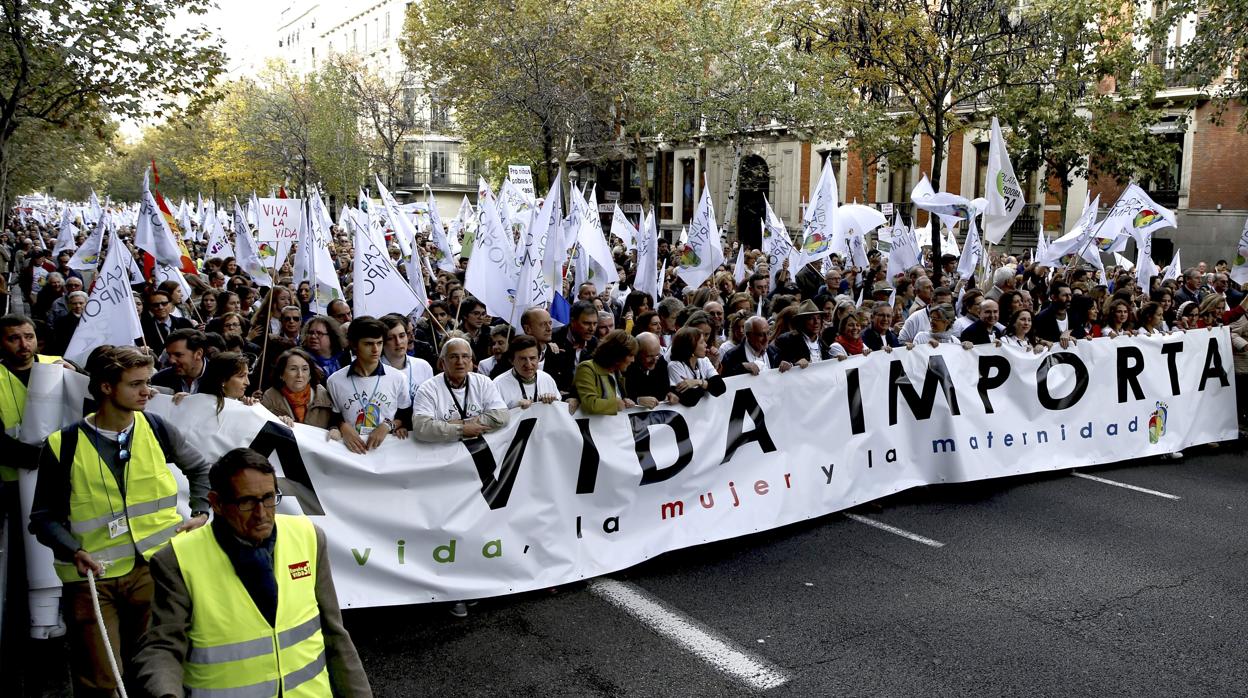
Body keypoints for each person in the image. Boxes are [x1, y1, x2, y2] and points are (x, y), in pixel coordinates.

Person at [29, 346, 212, 697]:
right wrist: (73, 550)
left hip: (155, 571)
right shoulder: (62, 444)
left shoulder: (157, 427)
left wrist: (202, 511)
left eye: (147, 382)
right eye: (137, 384)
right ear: (105, 387)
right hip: (92, 581)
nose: (148, 391)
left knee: (157, 670)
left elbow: (201, 468)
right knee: (101, 679)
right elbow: (43, 518)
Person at [134, 447, 372, 697]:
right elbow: (162, 647)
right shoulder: (177, 560)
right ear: (216, 503)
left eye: (269, 498)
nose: (262, 514)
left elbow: (335, 635)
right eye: (246, 502)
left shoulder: (309, 537)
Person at [325, 316, 412, 454]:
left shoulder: (398, 377)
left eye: (379, 343)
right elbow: (333, 417)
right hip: (351, 452)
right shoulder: (334, 381)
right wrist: (342, 427)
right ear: (354, 344)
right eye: (368, 344)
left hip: (387, 450)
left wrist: (387, 426)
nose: (375, 349)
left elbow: (405, 415)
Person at [411, 336, 509, 442]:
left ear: (471, 361)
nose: (460, 362)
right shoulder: (427, 389)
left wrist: (461, 424)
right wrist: (461, 430)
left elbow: (502, 416)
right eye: (453, 357)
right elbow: (421, 428)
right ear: (443, 362)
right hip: (445, 455)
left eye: (465, 356)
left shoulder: (483, 382)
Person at [260, 348, 335, 429]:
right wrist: (278, 422)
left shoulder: (323, 394)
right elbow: (261, 427)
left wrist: (335, 429)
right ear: (281, 374)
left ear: (310, 375)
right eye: (293, 369)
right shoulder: (270, 397)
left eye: (305, 369)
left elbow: (336, 422)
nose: (300, 374)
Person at [574, 330, 638, 415]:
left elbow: (619, 399)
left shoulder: (618, 372)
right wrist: (615, 404)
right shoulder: (587, 368)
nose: (633, 360)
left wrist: (625, 401)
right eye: (630, 355)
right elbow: (590, 403)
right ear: (618, 354)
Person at [492, 334, 562, 409]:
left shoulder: (547, 379)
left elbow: (559, 411)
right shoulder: (498, 384)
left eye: (532, 358)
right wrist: (516, 408)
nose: (528, 364)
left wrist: (553, 402)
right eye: (523, 359)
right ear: (511, 360)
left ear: (539, 358)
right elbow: (494, 416)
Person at [379, 313, 434, 407]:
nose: (398, 342)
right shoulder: (375, 371)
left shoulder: (423, 366)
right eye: (391, 338)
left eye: (402, 336)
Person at [547, 300, 599, 397]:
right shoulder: (552, 339)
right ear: (572, 321)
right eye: (587, 323)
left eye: (595, 323)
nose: (592, 328)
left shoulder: (594, 343)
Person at [721, 316, 791, 376]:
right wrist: (742, 368)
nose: (766, 339)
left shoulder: (775, 352)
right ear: (748, 335)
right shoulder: (732, 356)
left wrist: (791, 365)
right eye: (761, 335)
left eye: (768, 333)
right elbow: (725, 380)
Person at [624, 332, 677, 406]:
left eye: (657, 355)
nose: (655, 360)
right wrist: (638, 400)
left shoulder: (661, 363)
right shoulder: (627, 367)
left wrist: (670, 394)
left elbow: (665, 389)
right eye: (649, 356)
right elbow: (624, 396)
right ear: (637, 354)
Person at [666, 326, 715, 406]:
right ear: (690, 347)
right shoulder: (675, 366)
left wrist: (697, 382)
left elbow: (720, 387)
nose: (706, 345)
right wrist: (708, 385)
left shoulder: (704, 360)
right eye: (702, 342)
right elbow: (690, 399)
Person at [152, 328, 210, 395]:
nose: (171, 360)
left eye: (178, 355)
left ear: (198, 354)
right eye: (169, 355)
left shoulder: (220, 379)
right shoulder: (159, 380)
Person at [774, 300, 831, 366]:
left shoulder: (823, 344)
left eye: (818, 318)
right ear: (801, 321)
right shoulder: (787, 341)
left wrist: (835, 361)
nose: (816, 322)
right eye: (811, 318)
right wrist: (794, 365)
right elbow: (777, 367)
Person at [142, 288, 194, 356]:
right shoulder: (144, 328)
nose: (160, 307)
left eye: (164, 303)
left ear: (171, 304)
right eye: (156, 305)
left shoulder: (184, 323)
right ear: (150, 308)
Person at [302, 314, 349, 379]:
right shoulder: (302, 360)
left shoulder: (344, 358)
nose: (313, 336)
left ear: (331, 336)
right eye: (310, 332)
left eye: (319, 333)